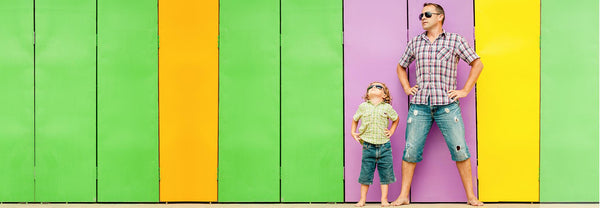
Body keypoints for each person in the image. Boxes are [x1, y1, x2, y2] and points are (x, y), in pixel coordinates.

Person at [391, 3, 484, 207]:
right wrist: (407, 87)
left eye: (427, 14)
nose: (423, 18)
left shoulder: (455, 40)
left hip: (447, 106)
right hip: (419, 106)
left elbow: (477, 63)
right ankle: (404, 196)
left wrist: (465, 90)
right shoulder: (416, 42)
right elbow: (401, 66)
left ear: (440, 17)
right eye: (421, 15)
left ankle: (471, 197)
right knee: (410, 150)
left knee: (460, 150)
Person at [351, 82, 400, 207]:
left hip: (384, 146)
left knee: (386, 174)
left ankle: (384, 199)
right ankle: (362, 199)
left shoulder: (387, 108)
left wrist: (391, 131)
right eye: (370, 87)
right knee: (365, 174)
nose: (373, 88)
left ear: (384, 95)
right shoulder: (363, 106)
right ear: (367, 94)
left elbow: (396, 119)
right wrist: (352, 132)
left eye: (378, 87)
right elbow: (355, 119)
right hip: (368, 146)